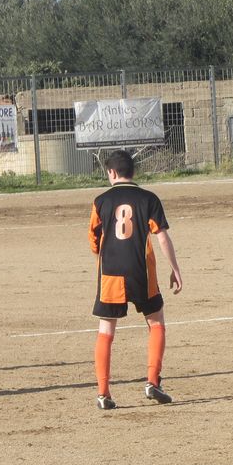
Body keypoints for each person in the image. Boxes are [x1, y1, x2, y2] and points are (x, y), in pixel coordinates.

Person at [88, 149, 183, 410]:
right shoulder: (148, 198)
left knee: (106, 329)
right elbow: (161, 236)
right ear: (133, 171)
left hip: (110, 272)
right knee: (156, 321)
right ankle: (152, 381)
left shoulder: (101, 201)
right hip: (141, 270)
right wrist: (174, 268)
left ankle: (103, 393)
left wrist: (102, 253)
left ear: (111, 172)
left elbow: (94, 237)